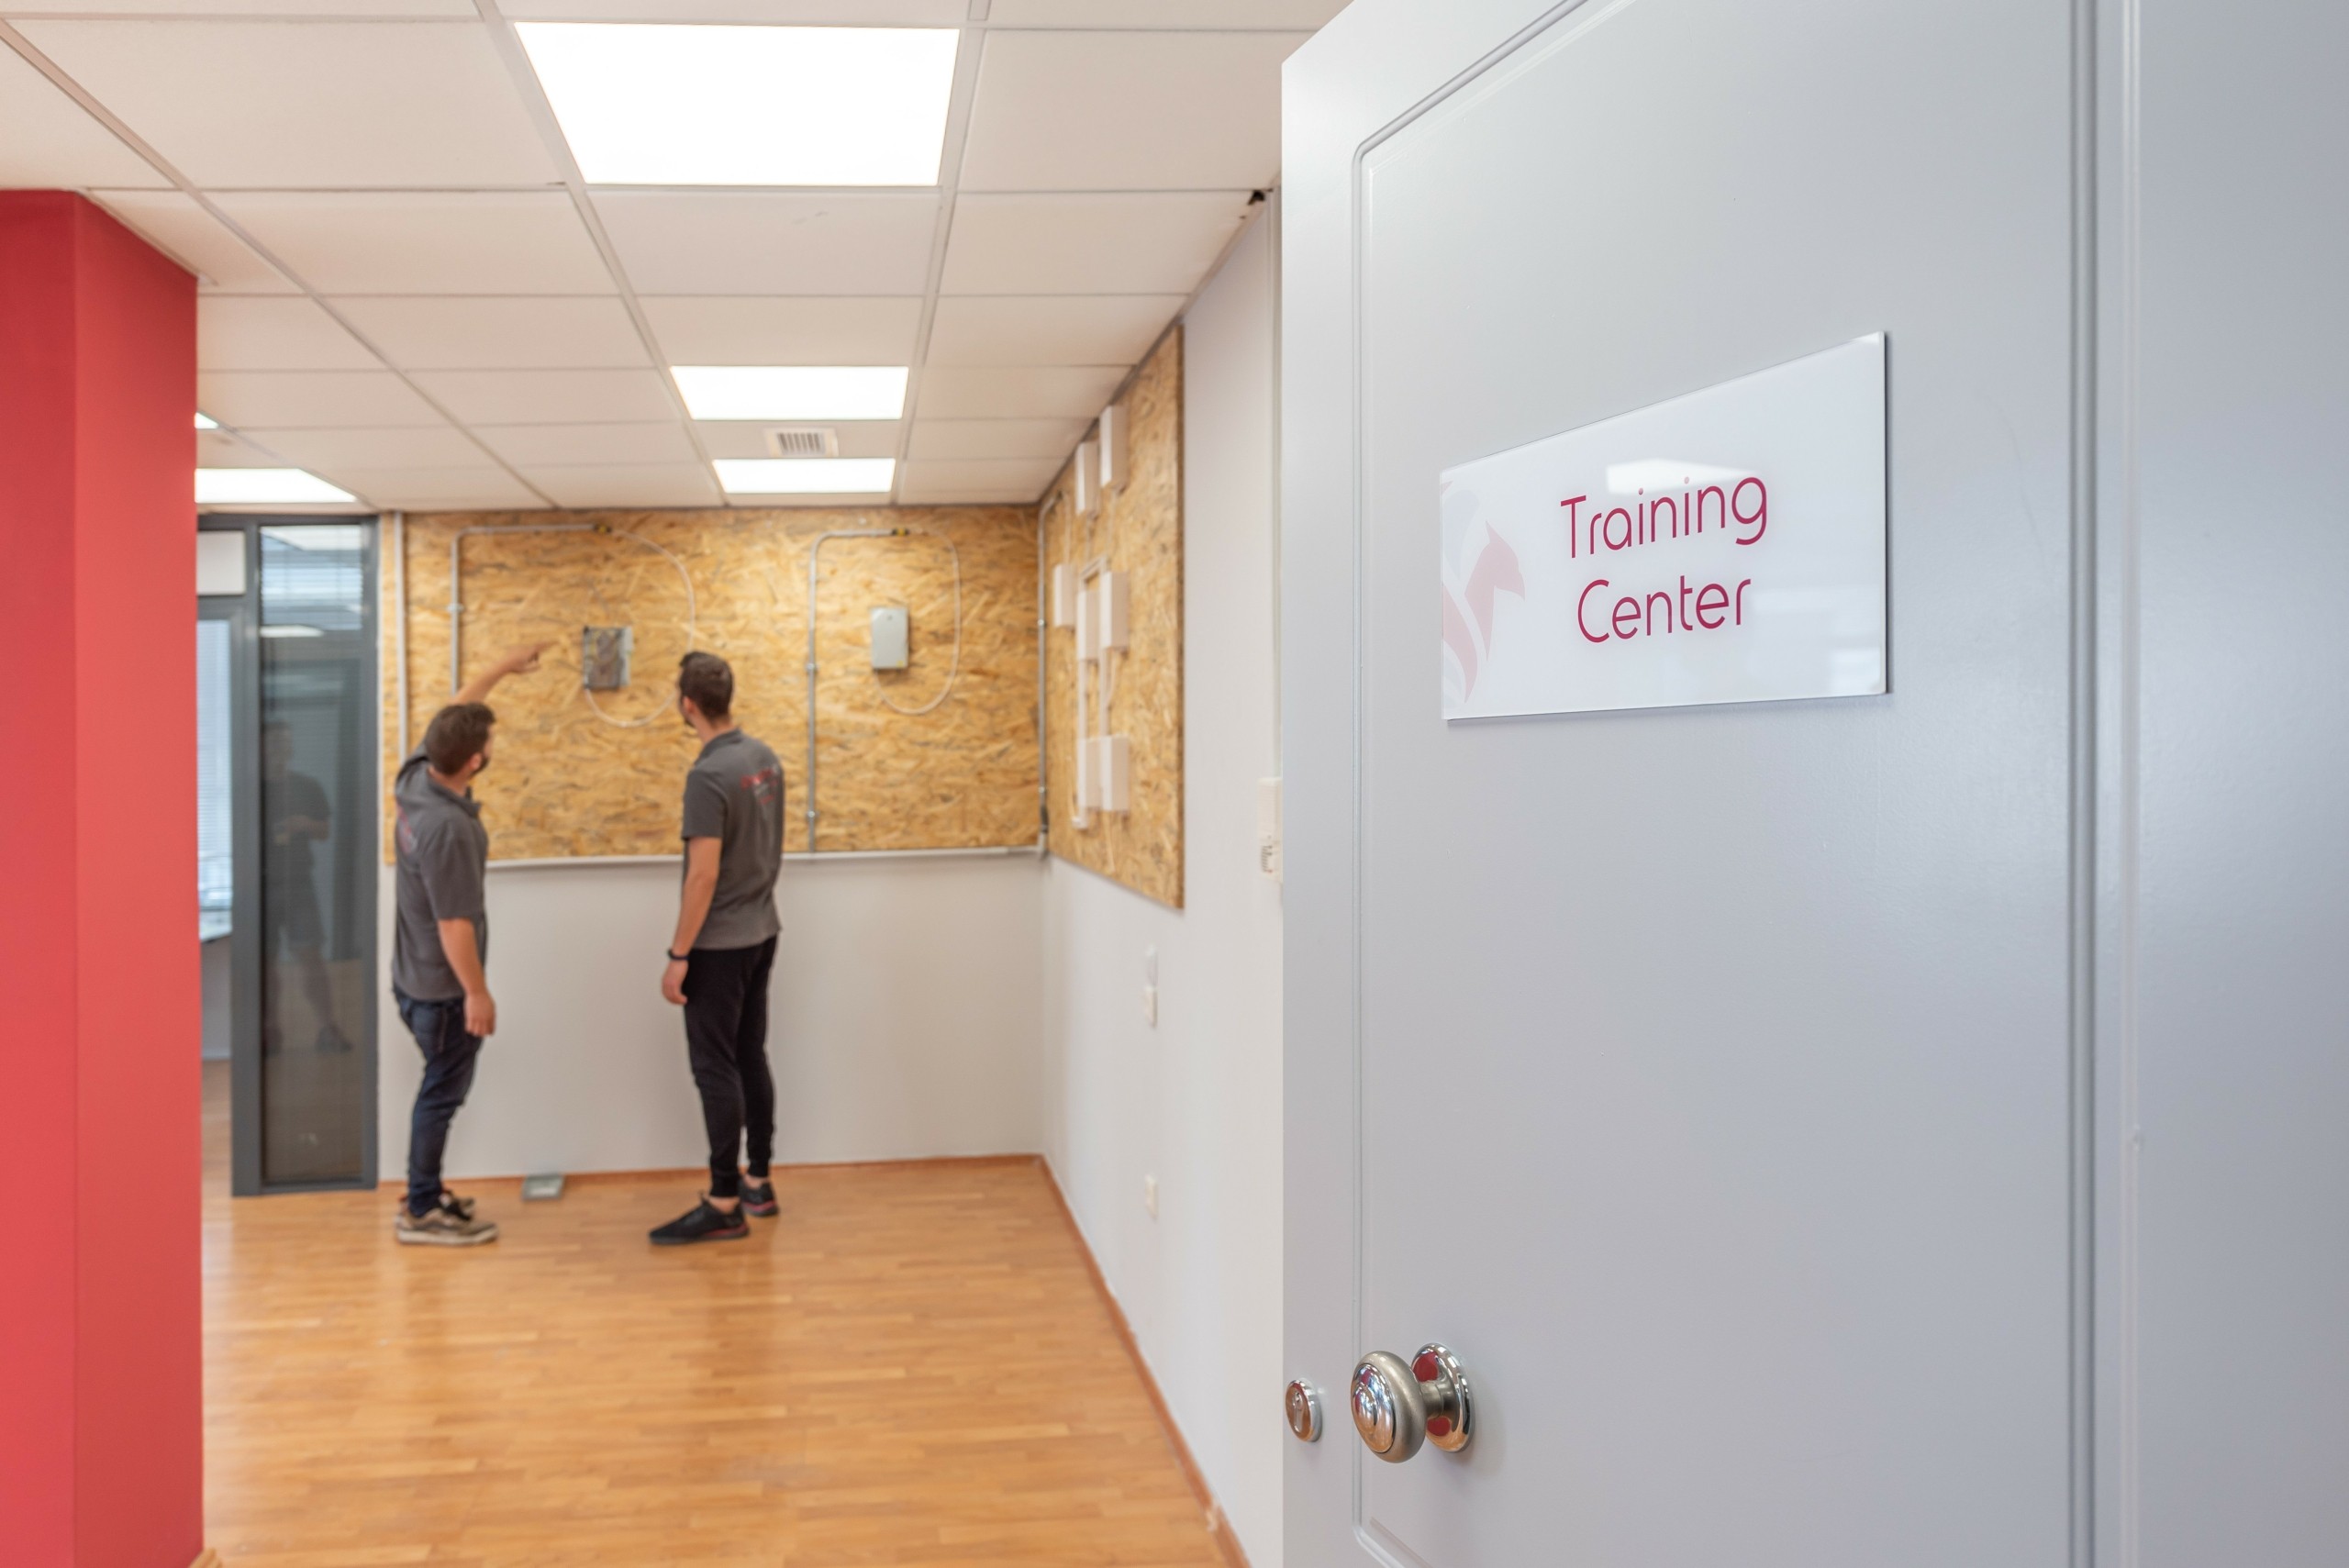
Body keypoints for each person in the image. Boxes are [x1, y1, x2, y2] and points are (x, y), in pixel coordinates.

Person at [389, 642, 546, 1246]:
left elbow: (456, 710)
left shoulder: (415, 780)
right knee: (440, 1095)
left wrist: (502, 668)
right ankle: (420, 1210)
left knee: (437, 1090)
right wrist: (476, 993)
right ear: (476, 762)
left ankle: (425, 1191)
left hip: (412, 976)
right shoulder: (449, 828)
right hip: (442, 990)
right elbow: (454, 922)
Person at [651, 651, 785, 1246]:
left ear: (688, 705)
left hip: (720, 944)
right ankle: (759, 1181)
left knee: (715, 1068)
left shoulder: (708, 776)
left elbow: (702, 875)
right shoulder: (763, 758)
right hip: (762, 930)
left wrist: (679, 954)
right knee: (749, 1053)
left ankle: (725, 1200)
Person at [261, 721, 349, 1055]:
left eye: (285, 743)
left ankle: (327, 1028)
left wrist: (304, 824)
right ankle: (270, 1031)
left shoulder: (307, 786)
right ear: (262, 746)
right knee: (265, 962)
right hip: (261, 885)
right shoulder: (250, 787)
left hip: (298, 883)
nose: (281, 749)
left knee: (310, 956)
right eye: (274, 743)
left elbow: (324, 832)